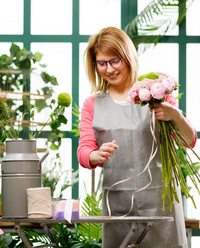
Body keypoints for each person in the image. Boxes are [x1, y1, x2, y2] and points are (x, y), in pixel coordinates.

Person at [77, 26, 197, 248]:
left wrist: (174, 115)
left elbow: (188, 141)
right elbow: (84, 151)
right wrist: (95, 155)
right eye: (101, 63)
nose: (109, 69)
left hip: (161, 203)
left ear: (128, 57)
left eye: (115, 61)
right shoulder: (92, 104)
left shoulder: (155, 94)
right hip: (118, 206)